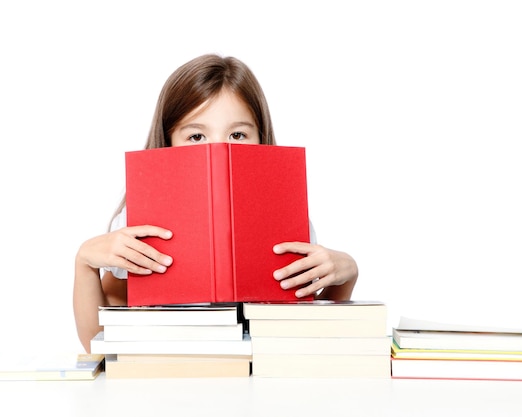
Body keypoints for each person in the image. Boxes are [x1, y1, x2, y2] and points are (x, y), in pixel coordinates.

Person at [73, 54, 358, 352]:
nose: (219, 149)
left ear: (261, 138)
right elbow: (98, 341)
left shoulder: (288, 219)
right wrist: (84, 264)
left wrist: (346, 276)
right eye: (196, 135)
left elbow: (310, 338)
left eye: (238, 134)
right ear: (168, 141)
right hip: (170, 379)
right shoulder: (137, 222)